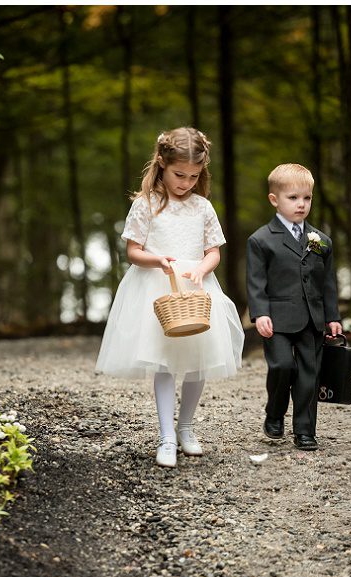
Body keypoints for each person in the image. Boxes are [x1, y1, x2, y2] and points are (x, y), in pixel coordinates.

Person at [96, 127, 244, 468]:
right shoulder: (146, 205)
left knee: (199, 358)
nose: (186, 183)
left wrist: (202, 270)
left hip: (195, 287)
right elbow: (133, 251)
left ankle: (186, 427)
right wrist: (158, 259)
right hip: (157, 285)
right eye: (180, 175)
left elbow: (213, 252)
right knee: (163, 361)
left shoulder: (203, 207)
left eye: (194, 177)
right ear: (161, 163)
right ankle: (165, 435)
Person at [246, 163, 342, 451]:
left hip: (312, 319)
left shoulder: (321, 241)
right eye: (293, 198)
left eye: (307, 198)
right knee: (282, 366)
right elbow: (256, 282)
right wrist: (260, 312)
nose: (301, 204)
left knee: (308, 375)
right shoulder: (261, 240)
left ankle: (304, 430)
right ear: (274, 200)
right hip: (276, 319)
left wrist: (332, 317)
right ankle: (274, 413)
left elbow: (328, 284)